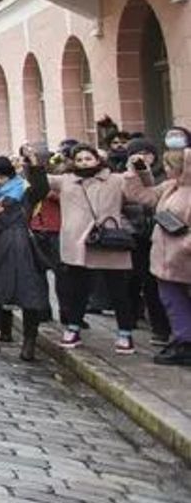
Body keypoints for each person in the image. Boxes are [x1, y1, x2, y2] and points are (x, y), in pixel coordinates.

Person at [26, 143, 136, 354]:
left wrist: (138, 167)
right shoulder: (66, 181)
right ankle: (73, 328)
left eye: (88, 158)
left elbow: (137, 188)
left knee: (118, 291)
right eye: (80, 159)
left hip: (108, 239)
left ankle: (125, 333)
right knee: (77, 291)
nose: (84, 163)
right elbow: (40, 184)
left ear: (98, 160)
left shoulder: (115, 179)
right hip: (78, 243)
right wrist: (34, 164)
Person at [0, 156, 52, 361]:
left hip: (21, 245)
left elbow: (41, 188)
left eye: (1, 177)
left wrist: (34, 165)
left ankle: (29, 343)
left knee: (29, 293)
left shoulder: (23, 191)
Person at [125, 125, 191, 366]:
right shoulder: (170, 187)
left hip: (183, 259)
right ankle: (184, 340)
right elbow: (142, 196)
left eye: (170, 166)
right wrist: (135, 170)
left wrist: (184, 245)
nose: (166, 169)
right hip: (166, 260)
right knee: (173, 303)